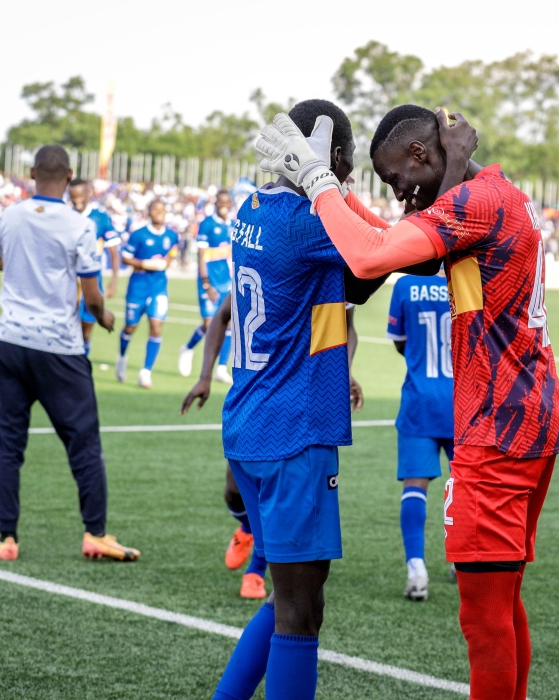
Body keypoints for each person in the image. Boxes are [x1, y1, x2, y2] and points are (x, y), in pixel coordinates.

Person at [256, 103, 559, 700]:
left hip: (496, 423)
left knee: (480, 612)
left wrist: (319, 187)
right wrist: (337, 193)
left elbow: (369, 257)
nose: (398, 196)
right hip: (527, 411)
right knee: (502, 596)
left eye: (398, 179)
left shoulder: (475, 204)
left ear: (421, 153)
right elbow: (396, 241)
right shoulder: (495, 192)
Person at [180, 99, 416, 700]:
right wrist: (330, 188)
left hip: (250, 424)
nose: (352, 173)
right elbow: (378, 258)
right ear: (328, 157)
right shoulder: (308, 224)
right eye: (348, 160)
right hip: (294, 432)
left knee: (290, 599)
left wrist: (318, 184)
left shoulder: (250, 209)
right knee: (300, 613)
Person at [0, 145, 139, 563]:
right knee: (83, 444)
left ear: (31, 173)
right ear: (69, 176)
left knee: (9, 447)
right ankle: (95, 534)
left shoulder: (10, 216)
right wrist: (103, 315)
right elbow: (91, 292)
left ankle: (7, 539)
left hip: (11, 342)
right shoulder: (78, 225)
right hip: (58, 348)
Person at [386, 270, 454, 601]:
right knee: (467, 486)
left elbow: (400, 341)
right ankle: (464, 559)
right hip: (463, 401)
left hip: (420, 399)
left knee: (415, 485)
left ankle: (416, 569)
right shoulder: (465, 277)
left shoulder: (405, 285)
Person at [116, 199, 179, 389]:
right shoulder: (139, 235)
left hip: (159, 287)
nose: (159, 212)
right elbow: (125, 258)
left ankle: (145, 372)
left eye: (162, 209)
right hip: (138, 286)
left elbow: (172, 254)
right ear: (149, 212)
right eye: (155, 209)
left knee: (156, 326)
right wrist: (145, 264)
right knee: (130, 326)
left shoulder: (172, 235)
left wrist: (167, 262)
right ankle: (122, 357)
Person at [179, 190, 234, 383]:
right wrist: (206, 283)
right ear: (216, 203)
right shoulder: (207, 224)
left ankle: (221, 368)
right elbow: (202, 256)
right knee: (209, 324)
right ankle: (187, 348)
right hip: (209, 280)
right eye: (221, 202)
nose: (224, 205)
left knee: (229, 322)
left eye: (227, 202)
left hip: (226, 280)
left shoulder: (232, 224)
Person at [68, 178, 121, 355]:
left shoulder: (101, 218)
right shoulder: (65, 216)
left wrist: (114, 280)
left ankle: (82, 360)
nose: (77, 201)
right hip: (67, 279)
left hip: (91, 279)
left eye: (80, 196)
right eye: (73, 197)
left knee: (86, 328)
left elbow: (114, 251)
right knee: (66, 326)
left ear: (88, 193)